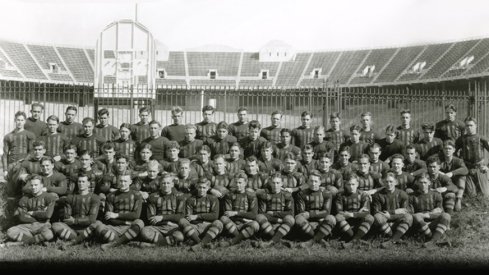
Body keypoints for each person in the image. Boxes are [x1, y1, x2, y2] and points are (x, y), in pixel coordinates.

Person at [94, 174, 144, 250]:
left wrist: (116, 215)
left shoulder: (137, 195)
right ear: (118, 181)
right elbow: (109, 217)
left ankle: (114, 243)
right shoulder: (111, 196)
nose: (123, 183)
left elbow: (136, 215)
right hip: (115, 227)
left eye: (125, 181)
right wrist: (126, 222)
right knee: (100, 228)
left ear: (130, 182)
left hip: (130, 227)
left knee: (140, 222)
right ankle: (126, 240)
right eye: (121, 181)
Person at [5, 175, 55, 246]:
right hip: (28, 226)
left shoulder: (49, 197)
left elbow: (48, 215)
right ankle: (37, 240)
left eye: (36, 185)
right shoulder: (25, 198)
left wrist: (32, 213)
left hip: (43, 225)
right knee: (10, 231)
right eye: (32, 185)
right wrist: (40, 215)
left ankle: (20, 243)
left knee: (49, 234)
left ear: (42, 185)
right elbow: (22, 217)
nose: (33, 187)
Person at [52, 173, 101, 245]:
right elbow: (67, 218)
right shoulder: (70, 197)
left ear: (88, 184)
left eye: (83, 182)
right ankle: (80, 239)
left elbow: (92, 219)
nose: (81, 184)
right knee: (55, 225)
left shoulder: (95, 197)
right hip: (72, 228)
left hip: (87, 227)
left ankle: (73, 240)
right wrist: (70, 219)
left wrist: (75, 220)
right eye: (79, 182)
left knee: (97, 224)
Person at [139, 173, 185, 247]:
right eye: (163, 183)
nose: (166, 185)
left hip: (174, 226)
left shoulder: (179, 196)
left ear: (172, 184)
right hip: (158, 227)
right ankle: (167, 242)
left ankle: (153, 245)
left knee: (180, 236)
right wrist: (166, 223)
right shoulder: (153, 197)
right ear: (160, 184)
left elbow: (181, 215)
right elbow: (150, 218)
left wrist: (162, 217)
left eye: (168, 183)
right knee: (144, 231)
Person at [178, 179, 223, 251]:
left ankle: (200, 244)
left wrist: (197, 216)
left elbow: (214, 216)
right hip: (195, 227)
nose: (201, 190)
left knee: (218, 223)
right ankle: (202, 243)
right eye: (200, 187)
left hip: (208, 226)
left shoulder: (213, 199)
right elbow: (189, 217)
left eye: (204, 188)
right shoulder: (191, 200)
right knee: (182, 221)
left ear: (208, 188)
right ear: (196, 187)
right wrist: (192, 219)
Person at [409, 173, 452, 249]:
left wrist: (427, 215)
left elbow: (439, 211)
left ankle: (432, 242)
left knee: (446, 215)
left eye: (425, 182)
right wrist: (428, 214)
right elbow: (411, 214)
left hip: (433, 223)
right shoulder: (412, 196)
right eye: (421, 182)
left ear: (429, 183)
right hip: (419, 224)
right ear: (417, 183)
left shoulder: (436, 195)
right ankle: (434, 240)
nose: (423, 185)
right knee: (416, 216)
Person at [295, 170, 336, 248]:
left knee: (331, 218)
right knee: (298, 218)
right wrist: (308, 217)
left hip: (321, 223)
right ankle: (320, 239)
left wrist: (310, 214)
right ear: (307, 181)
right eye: (311, 181)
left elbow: (326, 212)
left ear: (320, 182)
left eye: (316, 181)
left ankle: (312, 241)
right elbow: (302, 213)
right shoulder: (301, 194)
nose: (313, 184)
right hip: (307, 224)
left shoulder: (326, 193)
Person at [372, 172, 412, 248]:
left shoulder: (402, 194)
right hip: (385, 222)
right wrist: (394, 212)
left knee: (409, 217)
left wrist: (391, 216)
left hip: (398, 221)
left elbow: (405, 211)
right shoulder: (378, 195)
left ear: (396, 182)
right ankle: (394, 238)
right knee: (377, 216)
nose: (388, 184)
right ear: (383, 182)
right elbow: (376, 211)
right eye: (386, 182)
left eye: (391, 181)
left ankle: (391, 241)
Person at [254, 173, 295, 248]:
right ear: (270, 182)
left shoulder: (287, 195)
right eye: (273, 183)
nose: (275, 185)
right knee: (259, 217)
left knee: (290, 218)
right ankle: (279, 240)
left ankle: (270, 242)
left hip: (283, 223)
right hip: (268, 223)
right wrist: (277, 219)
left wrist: (273, 213)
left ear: (282, 183)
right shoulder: (265, 195)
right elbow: (262, 213)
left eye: (278, 183)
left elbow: (290, 213)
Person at [219, 172, 260, 247]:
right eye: (236, 182)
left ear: (245, 183)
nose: (238, 185)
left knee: (255, 224)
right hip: (234, 223)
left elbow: (253, 214)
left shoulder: (251, 195)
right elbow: (228, 214)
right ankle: (243, 238)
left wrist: (236, 213)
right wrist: (245, 218)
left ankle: (233, 241)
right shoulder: (229, 195)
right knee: (223, 218)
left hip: (245, 224)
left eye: (240, 182)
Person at [334, 173, 374, 248]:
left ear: (357, 184)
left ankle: (353, 241)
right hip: (346, 222)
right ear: (345, 185)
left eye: (353, 184)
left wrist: (352, 214)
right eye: (349, 184)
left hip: (359, 222)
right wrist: (358, 213)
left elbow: (367, 212)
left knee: (370, 217)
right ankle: (356, 239)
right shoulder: (340, 195)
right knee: (338, 217)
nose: (351, 187)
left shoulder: (363, 195)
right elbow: (339, 211)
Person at [455, 116, 489, 197]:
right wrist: (459, 163)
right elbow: (454, 152)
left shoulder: (482, 138)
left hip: (480, 168)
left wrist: (487, 167)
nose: (469, 127)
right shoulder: (461, 139)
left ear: (476, 125)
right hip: (467, 168)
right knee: (471, 195)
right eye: (467, 125)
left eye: (471, 125)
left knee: (486, 195)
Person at [2, 111, 36, 178]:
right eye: (18, 120)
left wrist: (23, 162)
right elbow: (5, 154)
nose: (20, 122)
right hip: (11, 165)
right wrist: (5, 170)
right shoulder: (8, 136)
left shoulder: (30, 135)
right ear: (15, 120)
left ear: (25, 121)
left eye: (22, 120)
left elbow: (31, 152)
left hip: (24, 165)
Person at [438, 139, 468, 211]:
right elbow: (433, 167)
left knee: (462, 177)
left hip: (455, 181)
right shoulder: (439, 159)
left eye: (450, 149)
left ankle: (458, 199)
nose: (447, 150)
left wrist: (452, 173)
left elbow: (465, 170)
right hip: (445, 182)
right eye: (446, 148)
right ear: (443, 150)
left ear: (454, 150)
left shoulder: (458, 160)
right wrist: (442, 173)